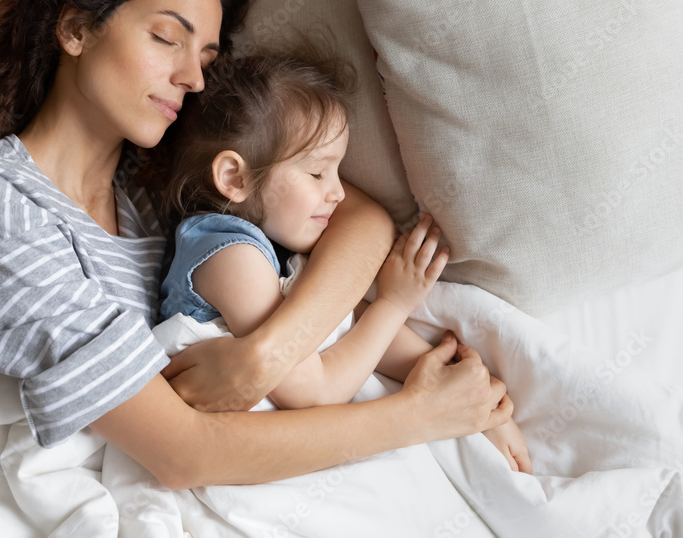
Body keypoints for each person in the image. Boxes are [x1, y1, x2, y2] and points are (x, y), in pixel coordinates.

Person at [0, 0, 512, 489]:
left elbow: (358, 220)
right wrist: (421, 416)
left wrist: (263, 358)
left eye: (207, 56)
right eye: (167, 37)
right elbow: (184, 453)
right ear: (76, 28)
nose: (194, 78)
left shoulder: (151, 185)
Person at [157, 54, 532, 473]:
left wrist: (473, 397)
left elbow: (345, 326)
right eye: (318, 174)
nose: (338, 193)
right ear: (234, 178)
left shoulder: (279, 246)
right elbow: (313, 390)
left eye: (338, 171)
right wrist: (394, 304)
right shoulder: (231, 258)